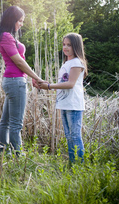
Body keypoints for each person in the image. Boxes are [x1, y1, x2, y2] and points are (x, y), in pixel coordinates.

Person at [0, 6, 43, 155]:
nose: (21, 24)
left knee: (6, 122)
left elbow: (20, 61)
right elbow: (19, 62)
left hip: (13, 80)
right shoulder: (6, 37)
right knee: (16, 124)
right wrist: (36, 77)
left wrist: (29, 78)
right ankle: (18, 156)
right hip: (15, 81)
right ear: (12, 20)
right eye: (20, 21)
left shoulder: (7, 36)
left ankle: (3, 153)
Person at [38, 33, 88, 163]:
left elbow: (70, 84)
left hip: (74, 104)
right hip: (64, 103)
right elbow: (62, 82)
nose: (65, 48)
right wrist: (45, 83)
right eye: (64, 44)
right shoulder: (67, 62)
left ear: (76, 46)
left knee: (75, 135)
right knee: (69, 136)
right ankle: (73, 162)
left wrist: (49, 86)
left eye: (69, 45)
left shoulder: (77, 62)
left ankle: (79, 164)